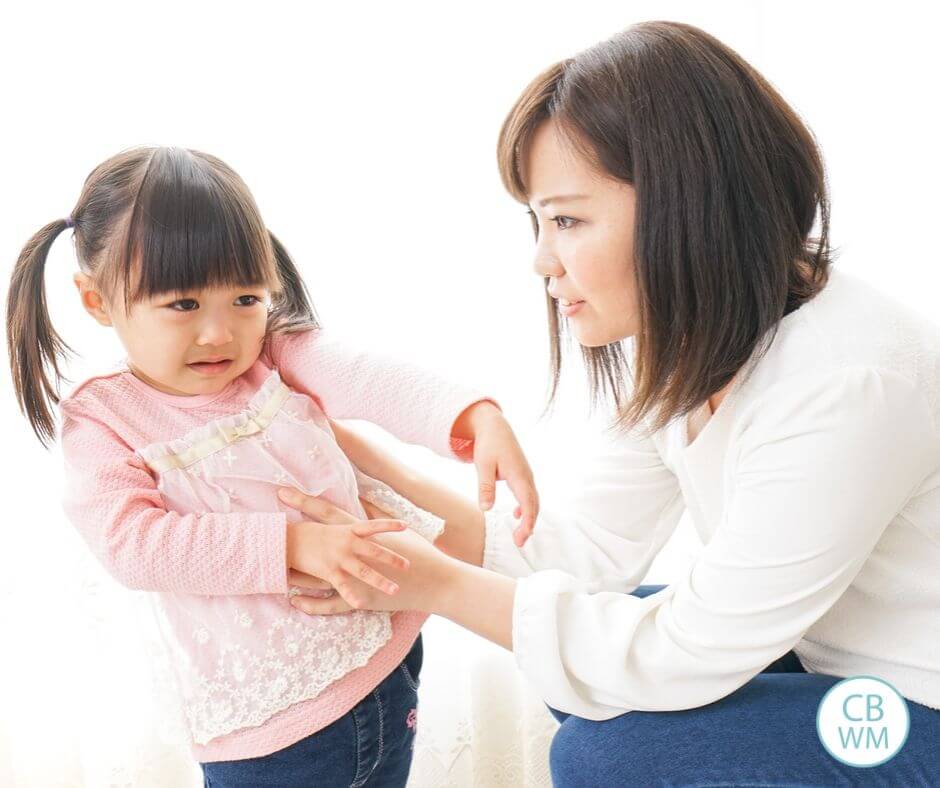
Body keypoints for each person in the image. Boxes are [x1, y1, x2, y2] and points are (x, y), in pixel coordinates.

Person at [277, 21, 940, 785]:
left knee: (611, 748)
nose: (540, 260)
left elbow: (687, 651)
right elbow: (582, 553)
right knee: (593, 669)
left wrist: (438, 585)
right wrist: (364, 472)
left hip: (913, 706)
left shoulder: (846, 382)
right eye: (539, 222)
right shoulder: (699, 340)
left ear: (689, 205)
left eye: (566, 219)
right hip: (841, 665)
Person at [5, 145, 540, 787]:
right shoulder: (106, 419)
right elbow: (132, 545)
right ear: (96, 301)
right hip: (272, 730)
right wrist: (292, 545)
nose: (220, 333)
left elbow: (366, 376)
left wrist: (470, 414)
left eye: (245, 299)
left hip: (386, 660)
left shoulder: (276, 356)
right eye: (182, 305)